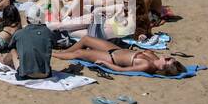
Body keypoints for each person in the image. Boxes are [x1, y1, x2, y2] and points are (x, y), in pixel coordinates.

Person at [53, 35, 186, 75]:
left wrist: (105, 64)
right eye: (170, 58)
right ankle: (62, 53)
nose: (168, 57)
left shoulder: (146, 65)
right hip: (116, 49)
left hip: (111, 57)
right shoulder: (155, 58)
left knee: (79, 53)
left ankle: (53, 55)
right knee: (86, 39)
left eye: (168, 61)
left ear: (164, 68)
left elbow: (122, 69)